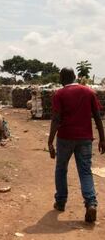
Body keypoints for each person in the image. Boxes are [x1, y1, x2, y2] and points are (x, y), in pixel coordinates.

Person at [48, 67, 105, 223]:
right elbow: (98, 117)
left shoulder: (59, 94)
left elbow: (56, 119)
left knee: (61, 169)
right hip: (85, 138)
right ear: (75, 77)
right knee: (85, 171)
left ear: (61, 78)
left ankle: (60, 202)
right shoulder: (88, 92)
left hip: (65, 138)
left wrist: (50, 141)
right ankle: (91, 203)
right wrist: (102, 138)